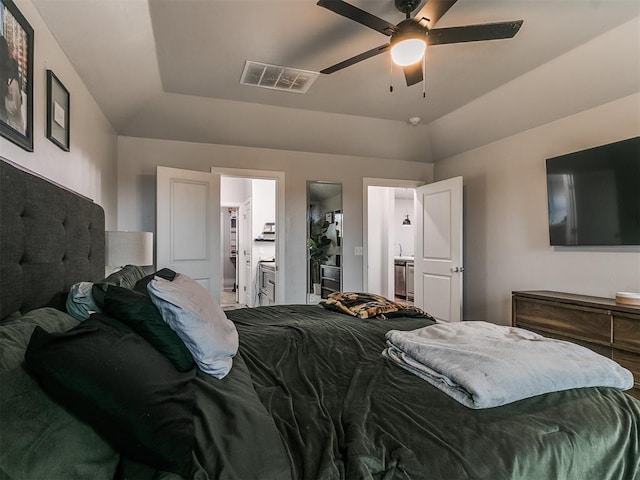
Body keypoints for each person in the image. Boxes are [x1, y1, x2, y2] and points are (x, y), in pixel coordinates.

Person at [4, 57, 25, 134]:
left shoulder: (14, 84)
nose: (8, 72)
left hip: (15, 121)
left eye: (10, 70)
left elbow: (17, 107)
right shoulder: (8, 82)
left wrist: (7, 99)